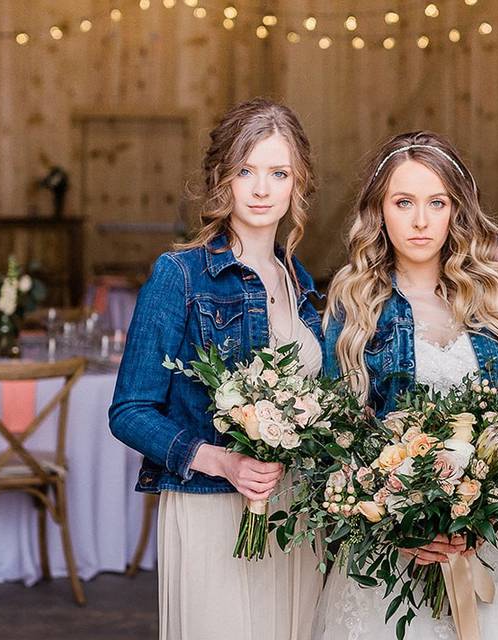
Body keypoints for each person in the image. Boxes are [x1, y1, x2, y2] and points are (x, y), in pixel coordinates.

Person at [312, 131, 498, 640]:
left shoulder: (497, 296)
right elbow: (338, 440)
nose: (420, 221)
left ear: (455, 211)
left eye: (436, 203)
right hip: (391, 551)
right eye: (404, 202)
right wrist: (400, 522)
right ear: (380, 211)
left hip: (490, 545)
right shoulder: (355, 306)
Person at [109, 97, 324, 640]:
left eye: (278, 173)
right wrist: (220, 461)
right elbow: (129, 411)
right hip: (212, 508)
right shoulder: (179, 275)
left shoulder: (301, 283)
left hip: (294, 510)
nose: (260, 188)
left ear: (297, 184)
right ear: (220, 178)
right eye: (245, 171)